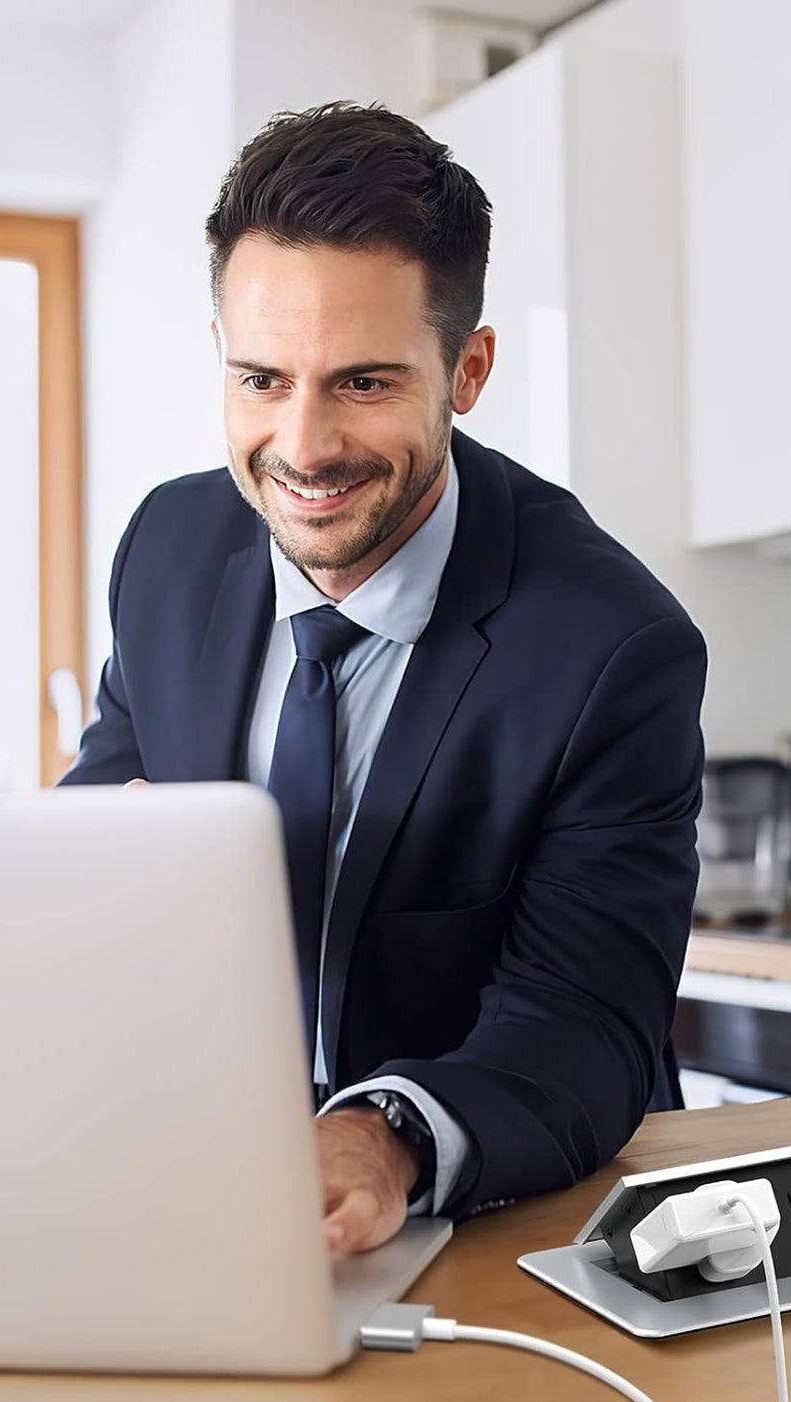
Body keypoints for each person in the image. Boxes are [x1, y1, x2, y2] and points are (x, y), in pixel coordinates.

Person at [60, 101, 707, 1254]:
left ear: (466, 369)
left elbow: (585, 1022)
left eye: (362, 383)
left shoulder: (610, 647)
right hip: (204, 1192)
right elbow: (101, 833)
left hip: (503, 1219)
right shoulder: (166, 549)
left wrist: (385, 1132)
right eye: (261, 379)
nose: (302, 448)